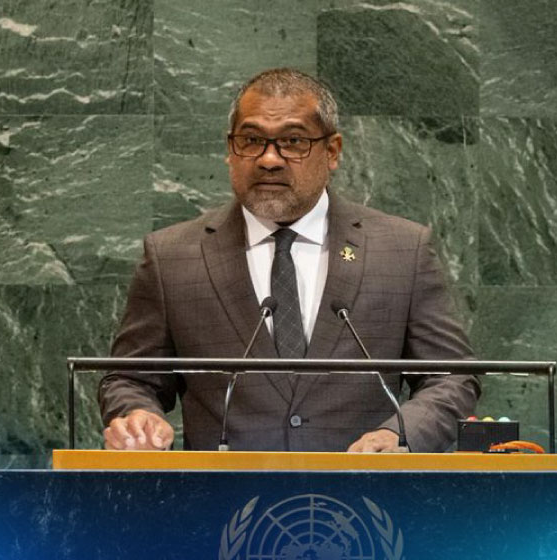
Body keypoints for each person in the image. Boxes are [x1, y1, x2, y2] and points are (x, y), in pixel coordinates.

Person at [98, 68, 478, 453]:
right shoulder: (173, 256)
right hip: (224, 491)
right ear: (230, 150)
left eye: (293, 141)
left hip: (363, 487)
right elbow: (132, 380)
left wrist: (399, 435)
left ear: (332, 151)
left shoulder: (401, 250)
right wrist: (137, 418)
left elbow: (452, 377)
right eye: (251, 140)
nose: (269, 159)